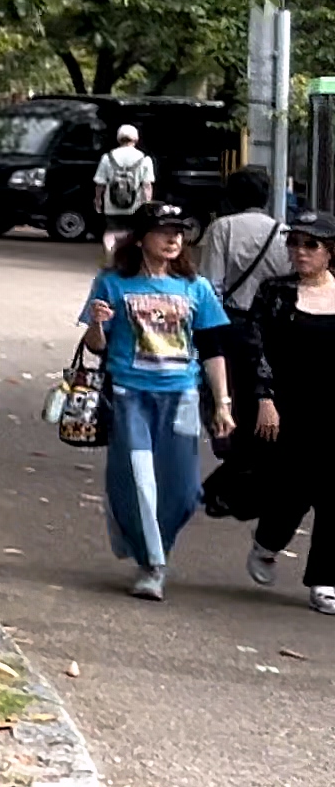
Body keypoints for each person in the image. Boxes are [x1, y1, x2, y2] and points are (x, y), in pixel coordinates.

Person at [79, 203, 231, 599]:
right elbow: (96, 346)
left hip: (182, 397)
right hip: (130, 396)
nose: (173, 239)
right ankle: (152, 564)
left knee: (184, 491)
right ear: (141, 238)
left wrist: (223, 403)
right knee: (139, 480)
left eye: (178, 232)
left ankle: (152, 542)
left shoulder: (196, 287)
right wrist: (97, 323)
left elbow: (213, 349)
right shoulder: (112, 283)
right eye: (164, 231)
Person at [224, 216, 335, 615]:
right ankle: (267, 543)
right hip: (287, 408)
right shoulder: (275, 292)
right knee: (292, 491)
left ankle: (325, 578)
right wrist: (265, 399)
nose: (300, 252)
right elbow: (256, 348)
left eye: (310, 245)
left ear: (330, 251)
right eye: (295, 244)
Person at [202, 168, 287, 312]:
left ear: (231, 197)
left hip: (234, 315)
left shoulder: (222, 227)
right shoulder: (284, 231)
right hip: (274, 317)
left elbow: (211, 282)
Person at [92, 123, 157, 229]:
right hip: (135, 209)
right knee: (133, 235)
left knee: (112, 235)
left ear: (118, 138)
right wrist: (148, 205)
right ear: (136, 139)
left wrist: (98, 201)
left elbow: (100, 184)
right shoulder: (145, 159)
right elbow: (147, 186)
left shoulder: (107, 157)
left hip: (112, 208)